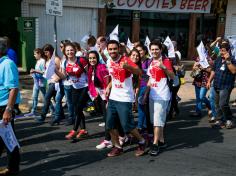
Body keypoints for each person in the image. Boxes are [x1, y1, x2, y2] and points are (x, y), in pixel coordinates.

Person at [105, 40, 146, 157]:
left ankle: (142, 141)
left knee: (127, 125)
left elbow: (139, 72)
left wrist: (127, 66)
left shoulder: (125, 60)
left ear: (119, 49)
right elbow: (114, 77)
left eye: (114, 49)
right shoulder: (109, 61)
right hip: (113, 97)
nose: (112, 51)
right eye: (110, 49)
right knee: (110, 125)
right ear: (107, 50)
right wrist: (108, 87)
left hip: (125, 98)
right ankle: (117, 147)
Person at [143, 40, 175, 156]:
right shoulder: (151, 61)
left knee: (157, 120)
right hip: (152, 94)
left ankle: (155, 144)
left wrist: (163, 67)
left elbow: (172, 76)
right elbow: (150, 79)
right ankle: (161, 140)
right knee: (155, 120)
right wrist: (146, 93)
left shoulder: (165, 61)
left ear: (161, 50)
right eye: (152, 49)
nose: (154, 51)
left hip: (162, 95)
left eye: (156, 49)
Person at [0, 37, 20, 175]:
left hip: (3, 107)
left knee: (8, 140)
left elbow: (13, 88)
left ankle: (13, 169)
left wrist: (8, 110)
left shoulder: (7, 64)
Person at [63, 43, 90, 140]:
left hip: (85, 87)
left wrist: (92, 86)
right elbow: (63, 76)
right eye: (67, 50)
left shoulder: (81, 60)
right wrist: (53, 70)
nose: (70, 52)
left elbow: (89, 73)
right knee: (77, 109)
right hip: (74, 88)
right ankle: (83, 130)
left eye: (71, 50)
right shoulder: (65, 62)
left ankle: (74, 130)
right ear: (65, 52)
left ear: (75, 50)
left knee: (78, 108)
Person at [86, 50, 112, 149]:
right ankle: (121, 136)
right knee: (108, 119)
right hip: (100, 97)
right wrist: (94, 95)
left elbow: (108, 84)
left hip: (107, 97)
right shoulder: (91, 69)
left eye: (94, 58)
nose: (92, 60)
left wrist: (107, 100)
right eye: (90, 58)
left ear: (97, 58)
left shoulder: (101, 68)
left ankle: (107, 140)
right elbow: (91, 84)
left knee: (107, 119)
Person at [207, 42, 236, 129]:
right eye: (220, 50)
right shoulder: (218, 59)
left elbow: (234, 71)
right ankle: (219, 120)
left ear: (228, 51)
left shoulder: (233, 59)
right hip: (216, 85)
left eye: (223, 51)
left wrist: (228, 61)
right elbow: (213, 71)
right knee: (216, 104)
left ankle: (229, 119)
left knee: (223, 104)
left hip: (226, 86)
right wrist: (209, 81)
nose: (221, 52)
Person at [35, 44, 64, 126]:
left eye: (47, 52)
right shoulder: (47, 60)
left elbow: (60, 70)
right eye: (44, 52)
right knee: (56, 100)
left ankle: (42, 116)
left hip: (56, 82)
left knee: (47, 98)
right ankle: (61, 115)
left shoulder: (56, 59)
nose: (45, 54)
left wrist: (57, 78)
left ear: (51, 51)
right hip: (50, 82)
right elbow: (46, 72)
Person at [24, 48, 48, 117]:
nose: (34, 55)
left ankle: (52, 109)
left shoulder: (42, 61)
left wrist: (35, 71)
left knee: (46, 96)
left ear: (39, 54)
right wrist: (33, 73)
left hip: (41, 82)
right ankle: (33, 111)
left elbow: (44, 72)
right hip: (36, 82)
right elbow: (37, 71)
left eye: (35, 54)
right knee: (35, 96)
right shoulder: (38, 61)